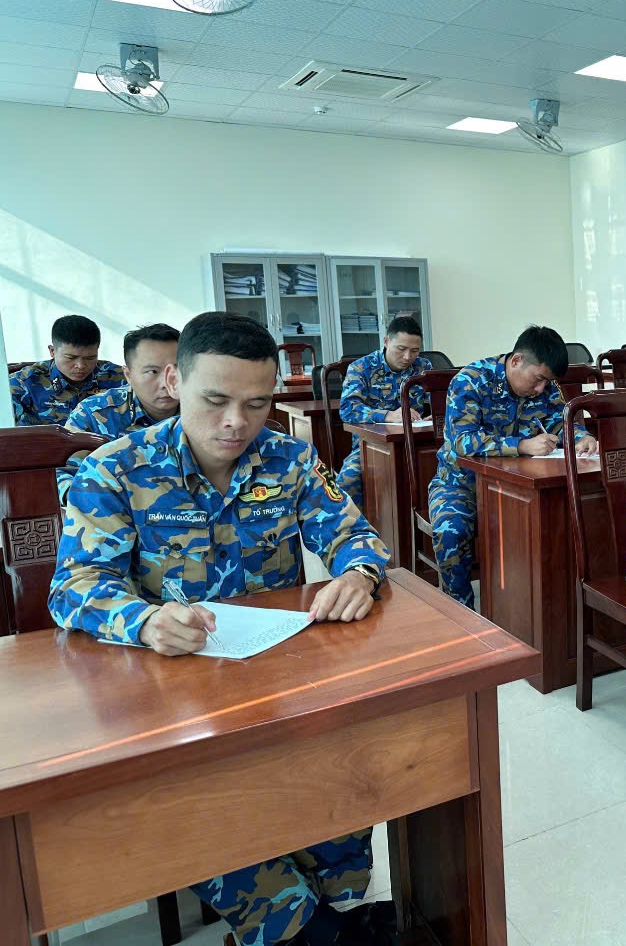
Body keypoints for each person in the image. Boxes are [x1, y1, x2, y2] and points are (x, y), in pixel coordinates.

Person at [48, 312, 395, 946]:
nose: (236, 422)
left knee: (345, 765)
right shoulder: (115, 470)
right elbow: (73, 585)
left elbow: (355, 536)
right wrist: (144, 620)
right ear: (174, 383)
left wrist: (358, 574)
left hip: (276, 673)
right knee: (200, 802)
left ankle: (339, 908)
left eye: (257, 404)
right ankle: (306, 931)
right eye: (215, 400)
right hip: (172, 688)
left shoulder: (288, 457)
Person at [429, 326, 598, 609]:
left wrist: (582, 437)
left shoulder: (546, 388)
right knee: (450, 533)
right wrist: (521, 445)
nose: (541, 388)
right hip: (461, 486)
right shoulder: (471, 381)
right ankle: (460, 613)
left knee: (555, 530)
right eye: (538, 379)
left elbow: (562, 422)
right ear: (517, 361)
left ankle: (523, 612)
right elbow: (462, 442)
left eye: (547, 382)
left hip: (519, 489)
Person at [58, 323, 181, 503]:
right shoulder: (94, 414)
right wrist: (97, 501)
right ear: (128, 375)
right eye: (153, 372)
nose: (166, 383)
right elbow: (62, 473)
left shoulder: (208, 409)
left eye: (176, 370)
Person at [336, 315, 434, 507]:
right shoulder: (361, 368)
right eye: (401, 349)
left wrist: (437, 414)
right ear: (386, 341)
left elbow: (442, 400)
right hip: (371, 446)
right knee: (347, 482)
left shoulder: (423, 367)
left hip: (416, 443)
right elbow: (348, 409)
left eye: (414, 351)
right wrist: (389, 416)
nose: (408, 357)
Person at [10, 314, 125, 426]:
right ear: (52, 351)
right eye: (71, 358)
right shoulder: (23, 383)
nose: (80, 365)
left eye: (90, 358)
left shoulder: (119, 377)